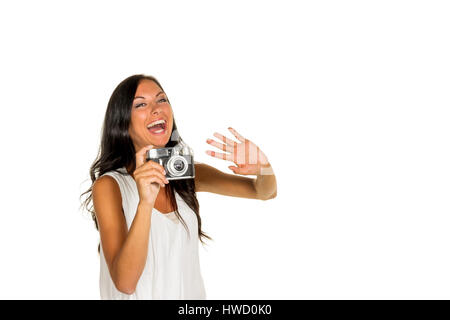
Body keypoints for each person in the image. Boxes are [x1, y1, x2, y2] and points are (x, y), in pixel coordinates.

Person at [80, 74, 277, 299]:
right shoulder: (110, 185)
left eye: (162, 100)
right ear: (122, 122)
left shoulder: (185, 174)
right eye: (141, 104)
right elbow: (125, 283)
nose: (156, 109)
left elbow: (263, 191)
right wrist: (145, 202)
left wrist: (264, 167)